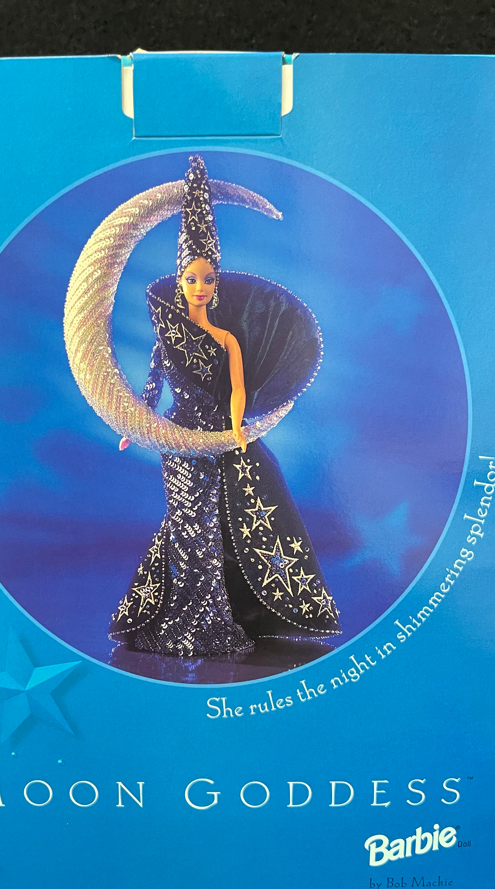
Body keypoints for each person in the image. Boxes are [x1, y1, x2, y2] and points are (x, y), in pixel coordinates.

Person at [109, 155, 340, 657]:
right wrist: (135, 425)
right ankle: (183, 618)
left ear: (216, 282)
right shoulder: (167, 334)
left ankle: (216, 616)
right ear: (180, 280)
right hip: (177, 441)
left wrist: (236, 427)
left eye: (208, 279)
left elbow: (236, 389)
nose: (200, 287)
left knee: (217, 524)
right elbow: (153, 383)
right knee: (186, 526)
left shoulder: (227, 339)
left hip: (216, 436)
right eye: (191, 279)